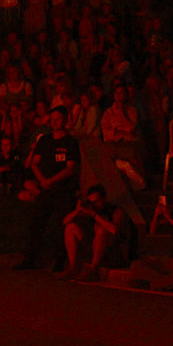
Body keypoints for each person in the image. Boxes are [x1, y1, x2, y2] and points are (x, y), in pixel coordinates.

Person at [15, 105, 80, 270]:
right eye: (52, 119)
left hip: (63, 190)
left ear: (65, 120)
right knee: (36, 222)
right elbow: (34, 163)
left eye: (58, 119)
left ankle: (60, 260)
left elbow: (71, 168)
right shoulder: (44, 140)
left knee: (62, 225)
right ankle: (30, 258)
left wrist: (52, 180)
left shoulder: (70, 142)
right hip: (45, 188)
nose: (54, 122)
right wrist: (43, 180)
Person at [61, 184, 129, 281]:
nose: (94, 205)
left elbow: (114, 230)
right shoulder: (90, 209)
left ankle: (93, 269)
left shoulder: (115, 211)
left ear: (104, 199)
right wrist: (77, 210)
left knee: (101, 230)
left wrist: (94, 215)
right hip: (91, 248)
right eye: (91, 202)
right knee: (70, 227)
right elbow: (65, 222)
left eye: (96, 202)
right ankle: (73, 267)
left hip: (110, 251)